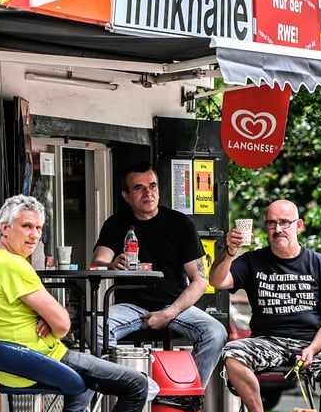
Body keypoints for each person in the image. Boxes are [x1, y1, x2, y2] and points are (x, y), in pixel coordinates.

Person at [0, 194, 149, 412]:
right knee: (137, 384)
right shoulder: (13, 266)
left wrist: (46, 317)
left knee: (88, 369)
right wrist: (51, 318)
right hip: (37, 357)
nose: (34, 235)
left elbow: (48, 317)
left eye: (38, 228)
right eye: (26, 226)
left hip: (13, 360)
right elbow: (63, 324)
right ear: (5, 228)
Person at [208, 199, 321, 412]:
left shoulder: (319, 264)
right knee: (232, 353)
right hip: (268, 340)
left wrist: (313, 349)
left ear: (299, 225)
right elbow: (217, 281)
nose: (278, 229)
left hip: (311, 343)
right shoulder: (252, 261)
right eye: (272, 223)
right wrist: (229, 252)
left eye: (284, 223)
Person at [91, 161, 227, 389]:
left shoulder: (180, 223)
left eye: (152, 185)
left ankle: (186, 395)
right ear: (126, 195)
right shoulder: (116, 223)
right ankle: (125, 389)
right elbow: (97, 263)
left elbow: (200, 281)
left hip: (174, 305)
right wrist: (111, 265)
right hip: (131, 307)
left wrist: (169, 313)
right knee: (95, 325)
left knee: (216, 332)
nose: (148, 192)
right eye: (139, 188)